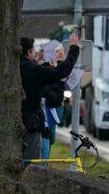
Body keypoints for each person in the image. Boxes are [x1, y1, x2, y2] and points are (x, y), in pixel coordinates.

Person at [20, 33, 80, 162]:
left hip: (16, 122)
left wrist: (48, 65)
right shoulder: (32, 70)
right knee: (31, 166)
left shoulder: (12, 68)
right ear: (29, 52)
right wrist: (74, 49)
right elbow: (61, 72)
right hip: (30, 124)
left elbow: (36, 71)